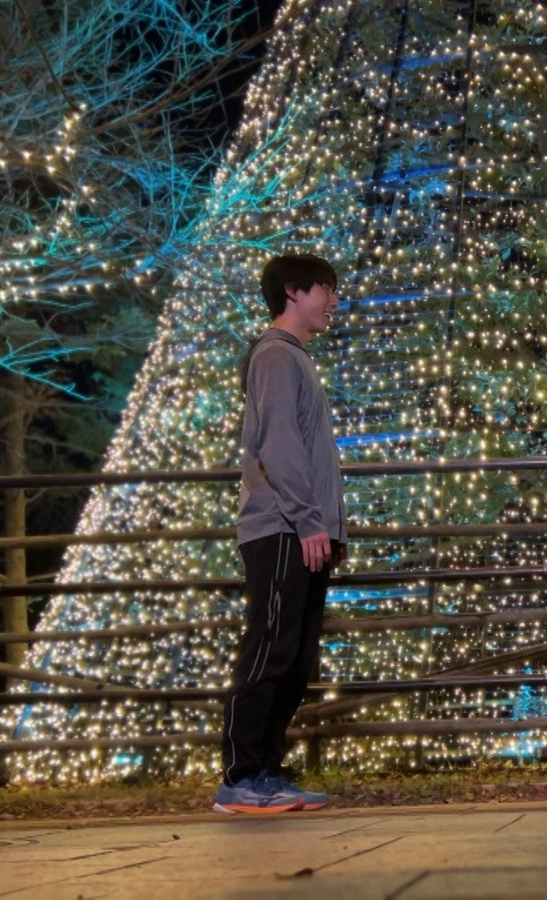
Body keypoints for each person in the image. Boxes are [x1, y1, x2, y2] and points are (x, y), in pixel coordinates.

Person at [215, 253, 347, 814]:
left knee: (295, 658)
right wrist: (309, 519)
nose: (333, 301)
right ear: (294, 292)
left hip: (304, 528)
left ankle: (267, 771)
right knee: (270, 649)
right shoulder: (274, 355)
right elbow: (278, 447)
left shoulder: (295, 358)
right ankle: (242, 776)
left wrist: (327, 525)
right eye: (326, 289)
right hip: (281, 527)